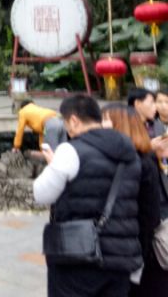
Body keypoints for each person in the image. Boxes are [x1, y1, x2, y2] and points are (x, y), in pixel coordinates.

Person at [33, 94, 142, 297]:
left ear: (74, 120)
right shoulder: (130, 153)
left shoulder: (70, 151)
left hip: (79, 256)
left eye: (66, 123)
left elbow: (41, 194)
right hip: (122, 257)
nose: (66, 129)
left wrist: (53, 166)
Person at [101, 104, 161, 294]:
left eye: (105, 119)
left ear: (121, 124)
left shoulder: (143, 162)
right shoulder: (105, 158)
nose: (100, 124)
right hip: (111, 249)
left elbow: (150, 214)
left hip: (132, 251)